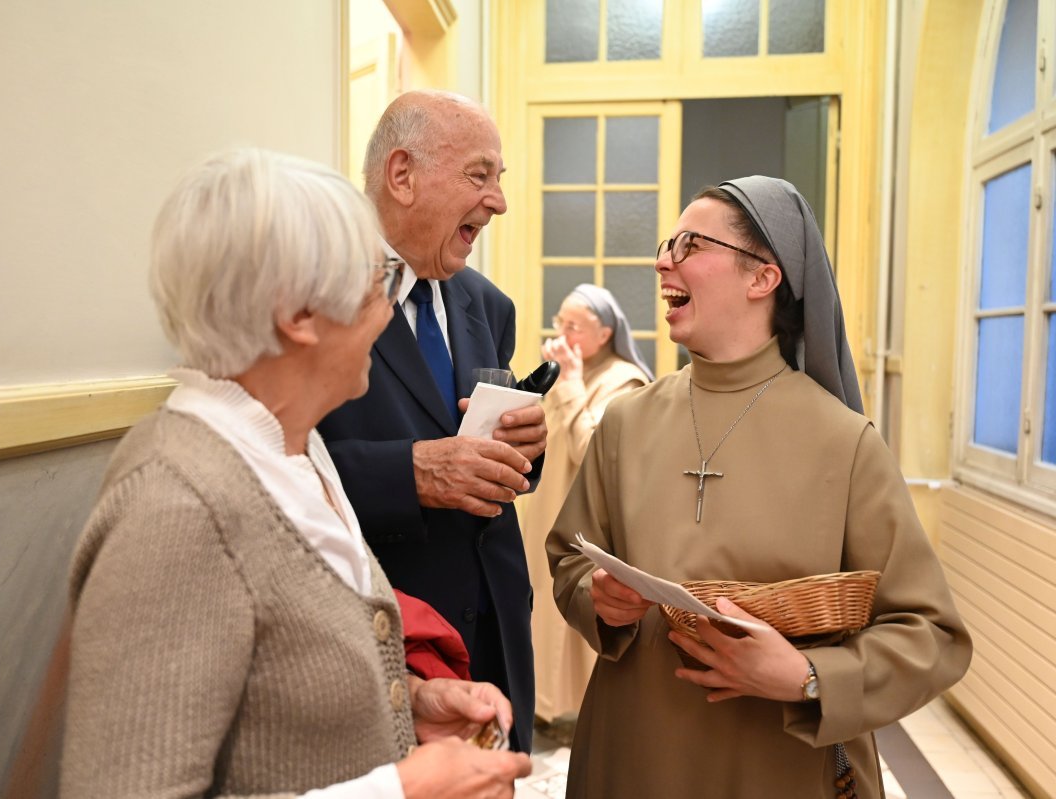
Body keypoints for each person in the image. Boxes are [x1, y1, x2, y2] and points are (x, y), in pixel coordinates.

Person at [60, 148, 531, 798]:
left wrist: (408, 704)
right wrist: (401, 791)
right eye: (376, 286)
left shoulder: (297, 451)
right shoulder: (176, 505)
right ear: (297, 313)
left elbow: (279, 690)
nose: (390, 312)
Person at [547, 176, 972, 797]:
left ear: (762, 277)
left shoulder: (844, 442)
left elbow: (932, 635)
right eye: (668, 242)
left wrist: (808, 675)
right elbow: (567, 560)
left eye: (690, 244)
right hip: (631, 752)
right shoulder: (626, 420)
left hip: (776, 765)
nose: (662, 259)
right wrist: (598, 599)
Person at [317, 90, 546, 752]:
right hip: (384, 653)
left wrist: (526, 446)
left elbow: (490, 466)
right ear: (401, 174)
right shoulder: (320, 292)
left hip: (495, 641)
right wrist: (411, 474)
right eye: (481, 174)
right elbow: (281, 466)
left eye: (499, 179)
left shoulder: (487, 305)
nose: (498, 201)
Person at [521, 284, 651, 722]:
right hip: (549, 510)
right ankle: (546, 708)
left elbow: (593, 452)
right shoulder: (566, 371)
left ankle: (580, 714)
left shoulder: (625, 381)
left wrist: (572, 383)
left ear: (605, 333)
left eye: (573, 326)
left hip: (589, 526)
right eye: (559, 322)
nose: (561, 334)